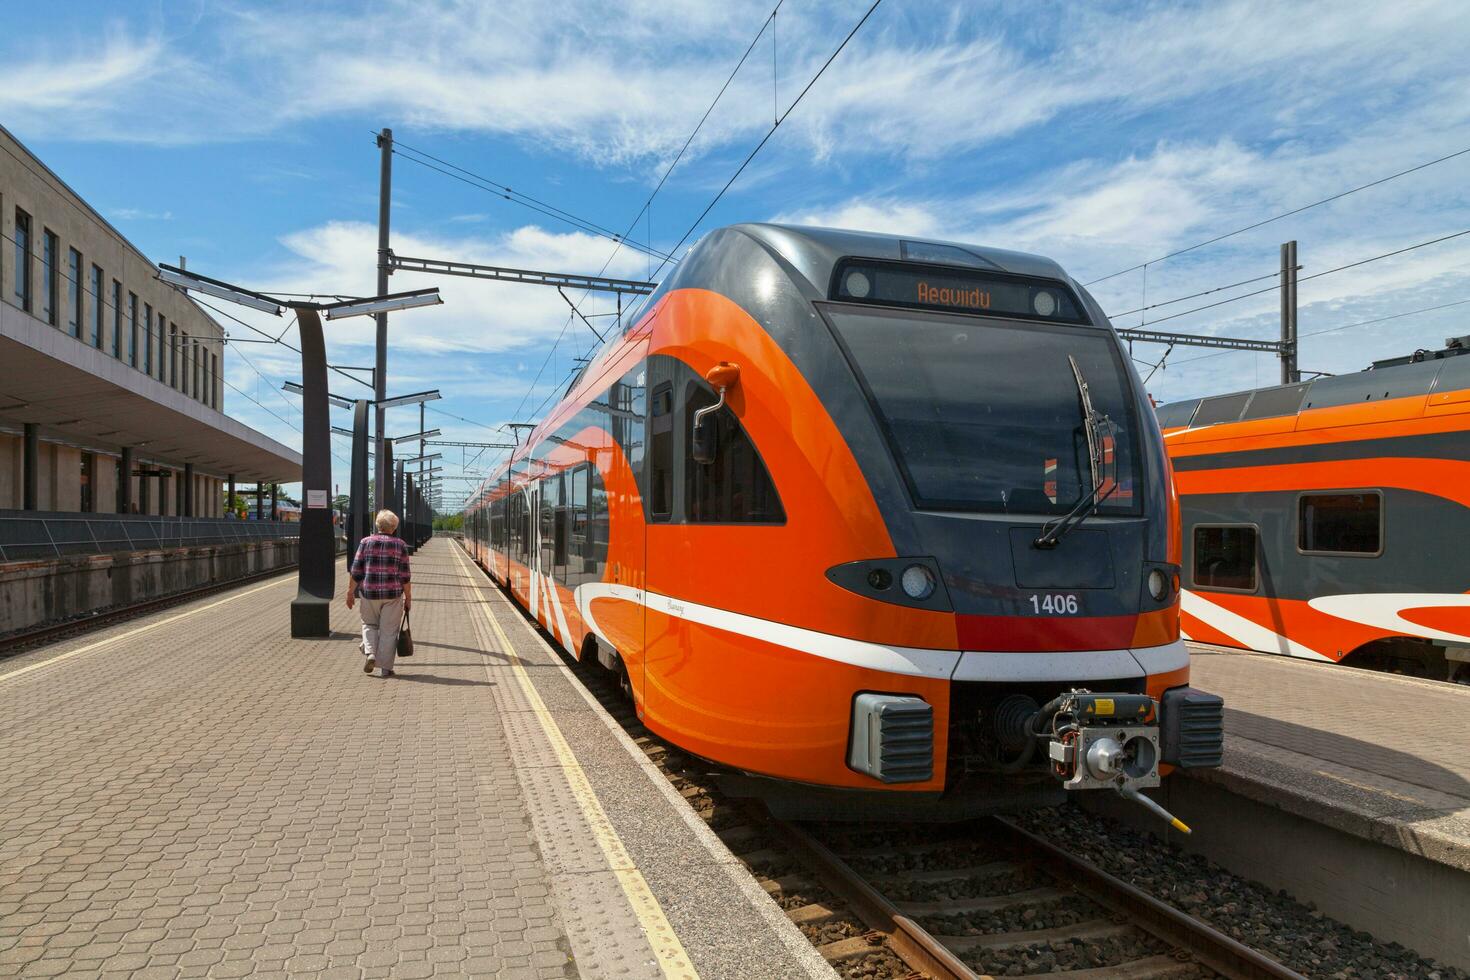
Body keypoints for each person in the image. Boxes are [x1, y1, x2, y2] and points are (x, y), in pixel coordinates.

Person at [346, 509, 412, 678]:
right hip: (392, 594)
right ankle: (385, 669)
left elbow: (356, 570)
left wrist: (350, 592)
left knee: (369, 625)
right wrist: (408, 598)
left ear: (378, 525)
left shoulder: (365, 542)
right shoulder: (400, 545)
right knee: (389, 631)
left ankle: (370, 654)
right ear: (394, 527)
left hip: (369, 593)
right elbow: (404, 575)